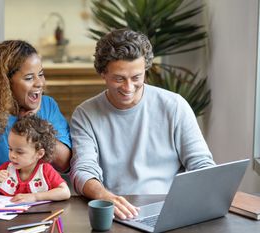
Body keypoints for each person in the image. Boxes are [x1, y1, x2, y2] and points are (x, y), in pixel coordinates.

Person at [69, 29, 215, 219]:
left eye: (136, 77)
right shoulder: (85, 114)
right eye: (119, 78)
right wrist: (105, 197)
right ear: (103, 73)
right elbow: (82, 170)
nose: (128, 88)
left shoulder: (175, 106)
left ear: (145, 69)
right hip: (116, 211)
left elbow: (201, 163)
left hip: (168, 210)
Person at [0, 40, 72, 197]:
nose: (40, 83)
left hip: (42, 210)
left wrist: (35, 122)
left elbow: (64, 163)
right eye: (29, 78)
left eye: (41, 74)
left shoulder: (48, 107)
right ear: (6, 83)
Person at [0, 115, 71, 202]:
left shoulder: (45, 170)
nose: (12, 155)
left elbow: (65, 192)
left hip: (39, 215)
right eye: (10, 149)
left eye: (19, 152)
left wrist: (35, 197)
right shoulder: (6, 169)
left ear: (39, 154)